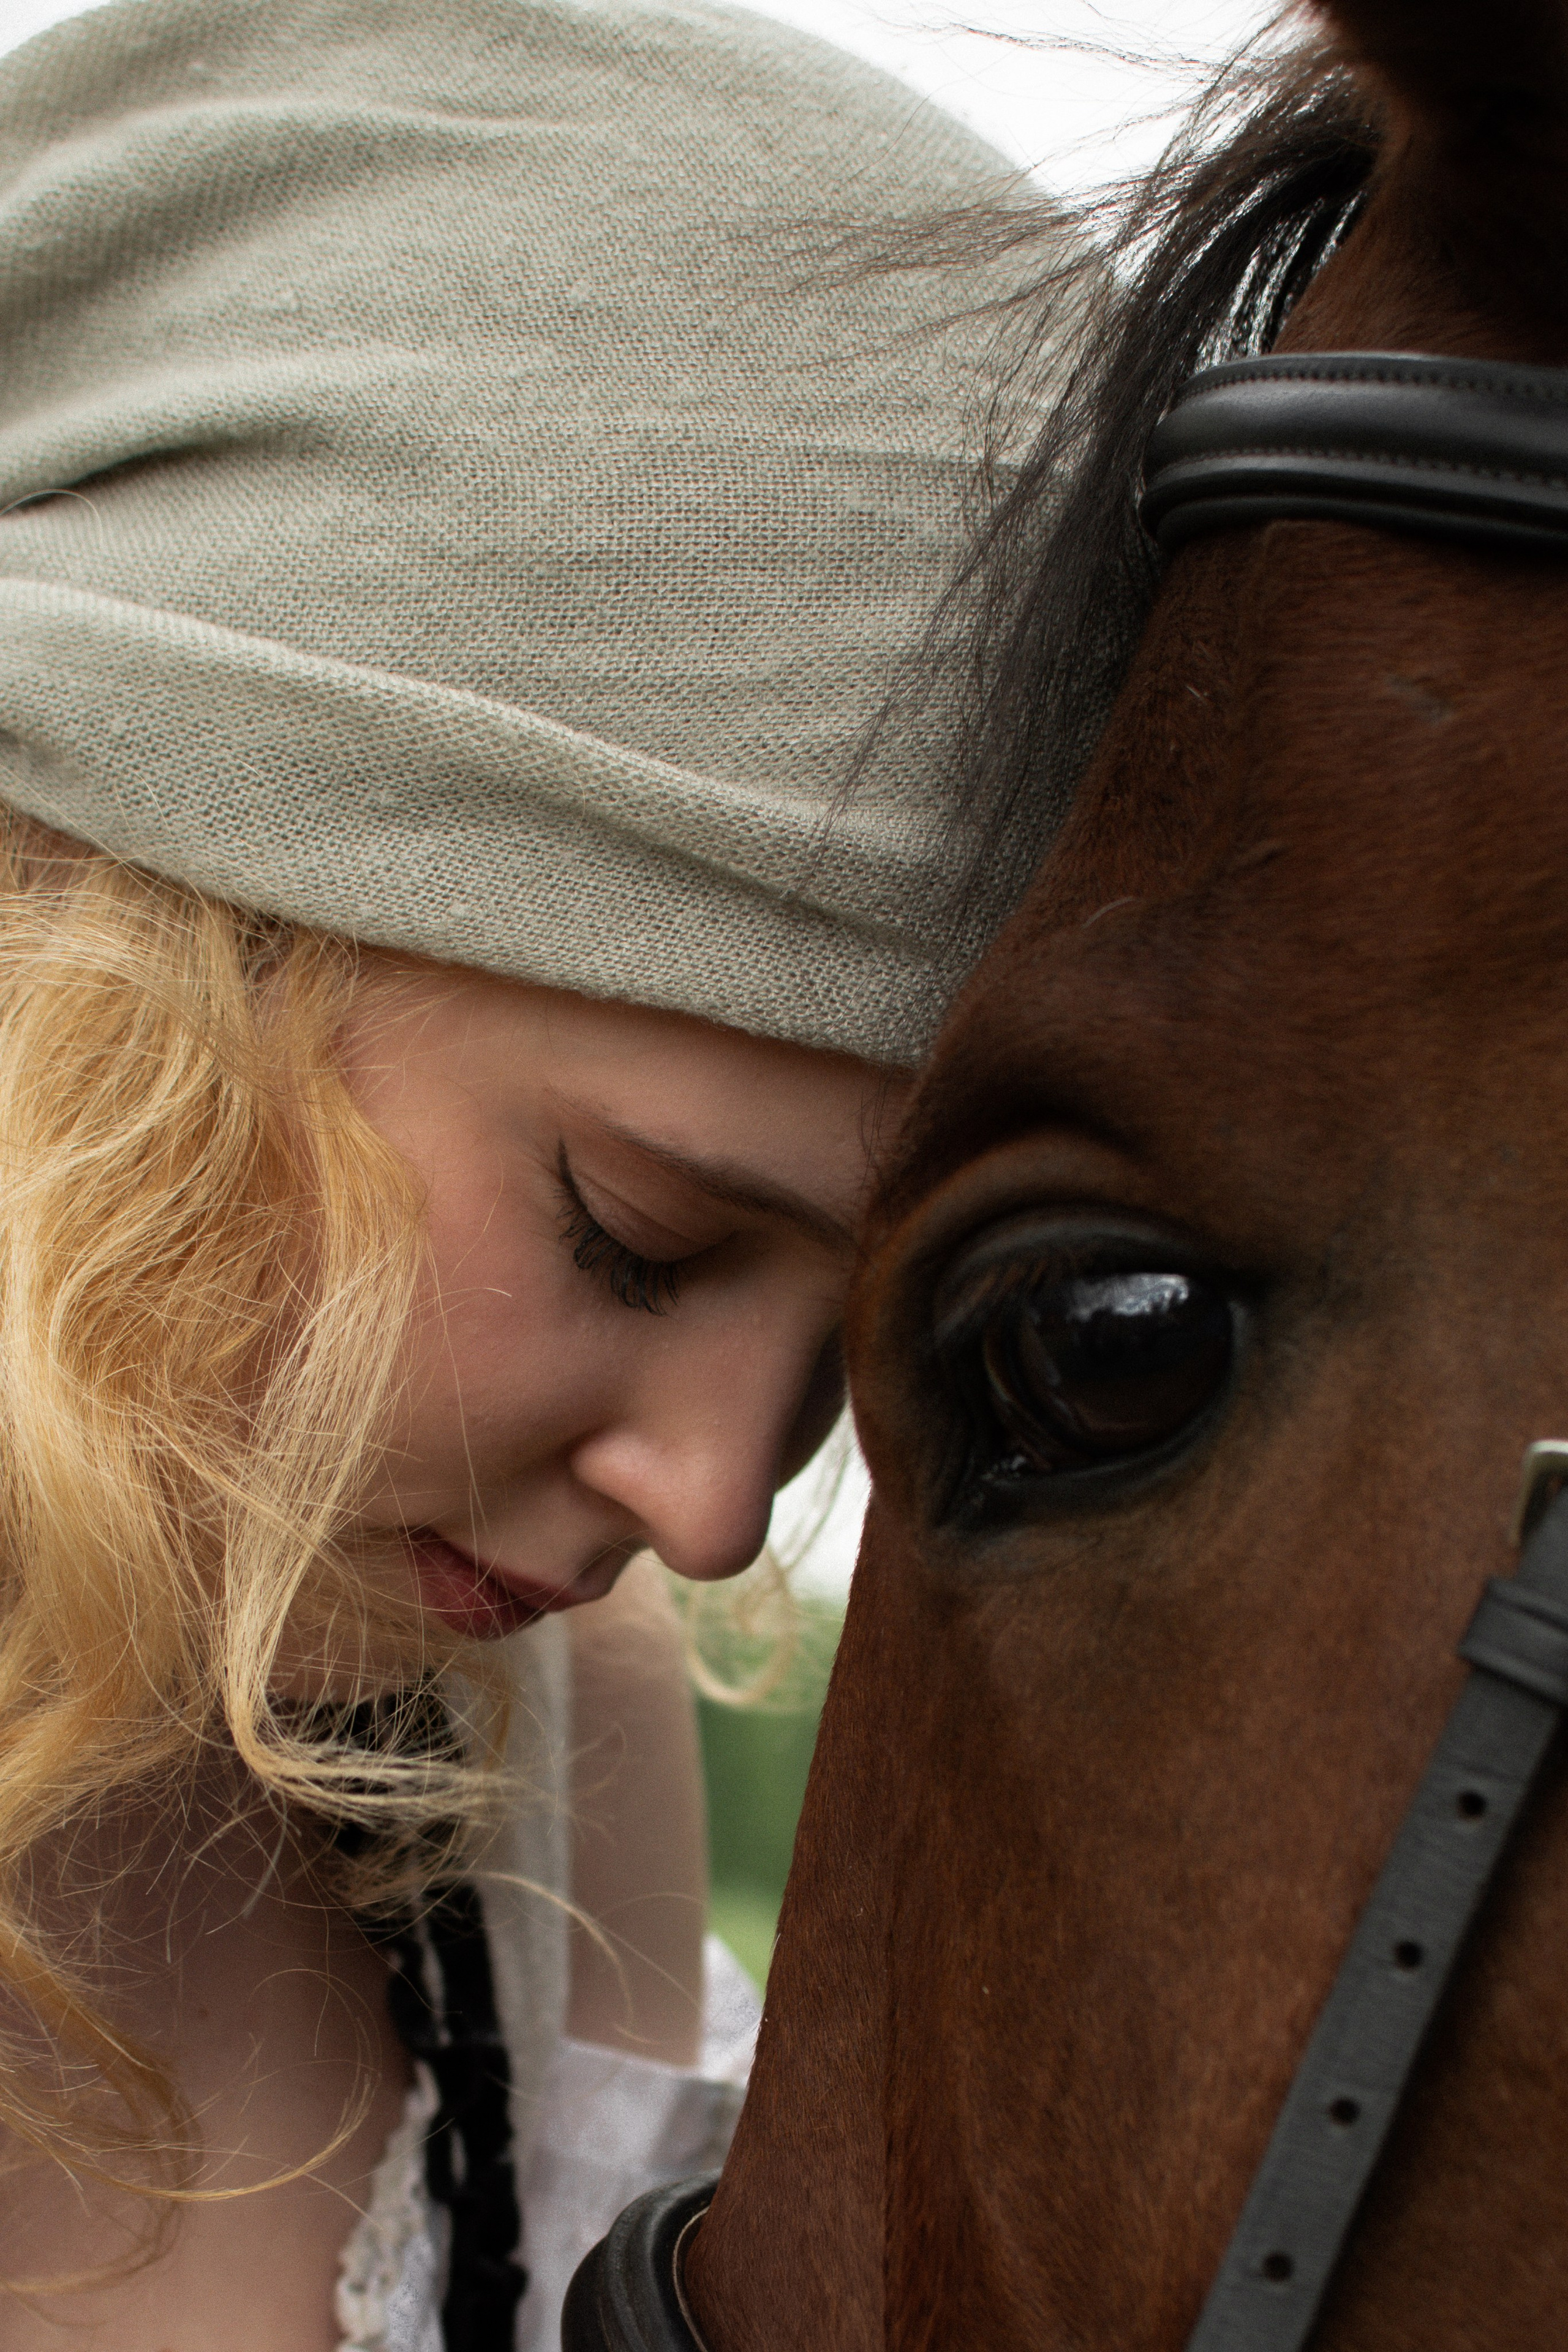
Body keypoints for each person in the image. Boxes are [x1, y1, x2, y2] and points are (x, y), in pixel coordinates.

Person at [0, 0, 1051, 2344]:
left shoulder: (514, 1772)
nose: (708, 1505)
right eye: (637, 1233)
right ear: (103, 921)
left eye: (856, 1341)